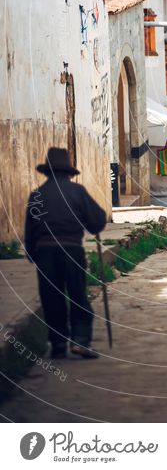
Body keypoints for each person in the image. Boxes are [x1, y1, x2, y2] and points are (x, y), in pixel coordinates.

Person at [25, 147, 107, 359]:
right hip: (71, 250)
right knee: (78, 294)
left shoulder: (37, 195)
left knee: (51, 298)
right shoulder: (77, 192)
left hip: (45, 253)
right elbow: (97, 221)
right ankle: (80, 340)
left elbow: (30, 232)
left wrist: (34, 256)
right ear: (68, 172)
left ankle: (58, 343)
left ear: (47, 171)